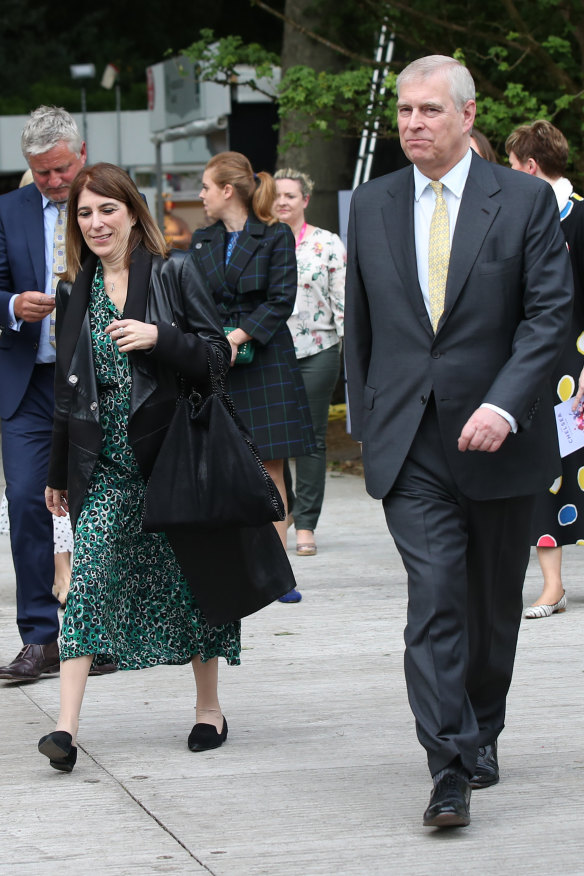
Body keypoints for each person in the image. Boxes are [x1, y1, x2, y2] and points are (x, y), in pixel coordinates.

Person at [344, 55, 573, 829]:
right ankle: (447, 766)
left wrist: (506, 407)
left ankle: (483, 726)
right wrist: (370, 424)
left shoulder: (525, 201)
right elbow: (361, 332)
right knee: (435, 596)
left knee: (490, 605)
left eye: (430, 111)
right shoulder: (371, 206)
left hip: (500, 442)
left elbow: (550, 317)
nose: (412, 123)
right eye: (404, 111)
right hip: (410, 443)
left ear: (468, 116)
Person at [38, 162, 240, 773]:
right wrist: (56, 474)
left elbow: (215, 361)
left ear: (132, 211)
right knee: (88, 582)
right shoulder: (76, 290)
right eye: (84, 213)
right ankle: (65, 730)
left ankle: (209, 708)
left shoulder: (175, 273)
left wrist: (161, 338)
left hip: (174, 458)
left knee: (191, 581)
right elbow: (67, 392)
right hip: (106, 468)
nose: (96, 223)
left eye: (107, 210)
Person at [0, 106, 112, 682]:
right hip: (27, 387)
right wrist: (12, 307)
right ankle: (41, 640)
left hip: (96, 382)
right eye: (40, 172)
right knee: (25, 504)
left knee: (101, 506)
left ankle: (101, 633)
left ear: (82, 154)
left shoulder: (110, 201)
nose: (52, 183)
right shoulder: (7, 211)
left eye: (60, 169)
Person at [191, 152, 315, 601]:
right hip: (216, 363)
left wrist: (236, 338)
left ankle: (277, 572)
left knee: (269, 467)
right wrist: (214, 343)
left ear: (227, 190)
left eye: (206, 186)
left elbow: (281, 299)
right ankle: (238, 566)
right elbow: (192, 301)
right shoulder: (201, 241)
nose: (200, 195)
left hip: (263, 361)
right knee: (224, 468)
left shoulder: (276, 235)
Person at [506, 119, 584, 619]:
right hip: (533, 368)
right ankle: (552, 585)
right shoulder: (518, 218)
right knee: (544, 473)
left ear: (531, 168)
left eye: (512, 167)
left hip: (577, 368)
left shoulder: (579, 217)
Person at [273, 168, 345, 557]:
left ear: (305, 200)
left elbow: (343, 300)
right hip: (273, 355)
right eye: (277, 196)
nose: (282, 201)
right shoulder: (262, 240)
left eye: (290, 195)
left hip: (318, 349)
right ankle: (283, 513)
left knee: (311, 440)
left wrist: (352, 351)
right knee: (276, 441)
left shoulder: (326, 244)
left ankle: (306, 525)